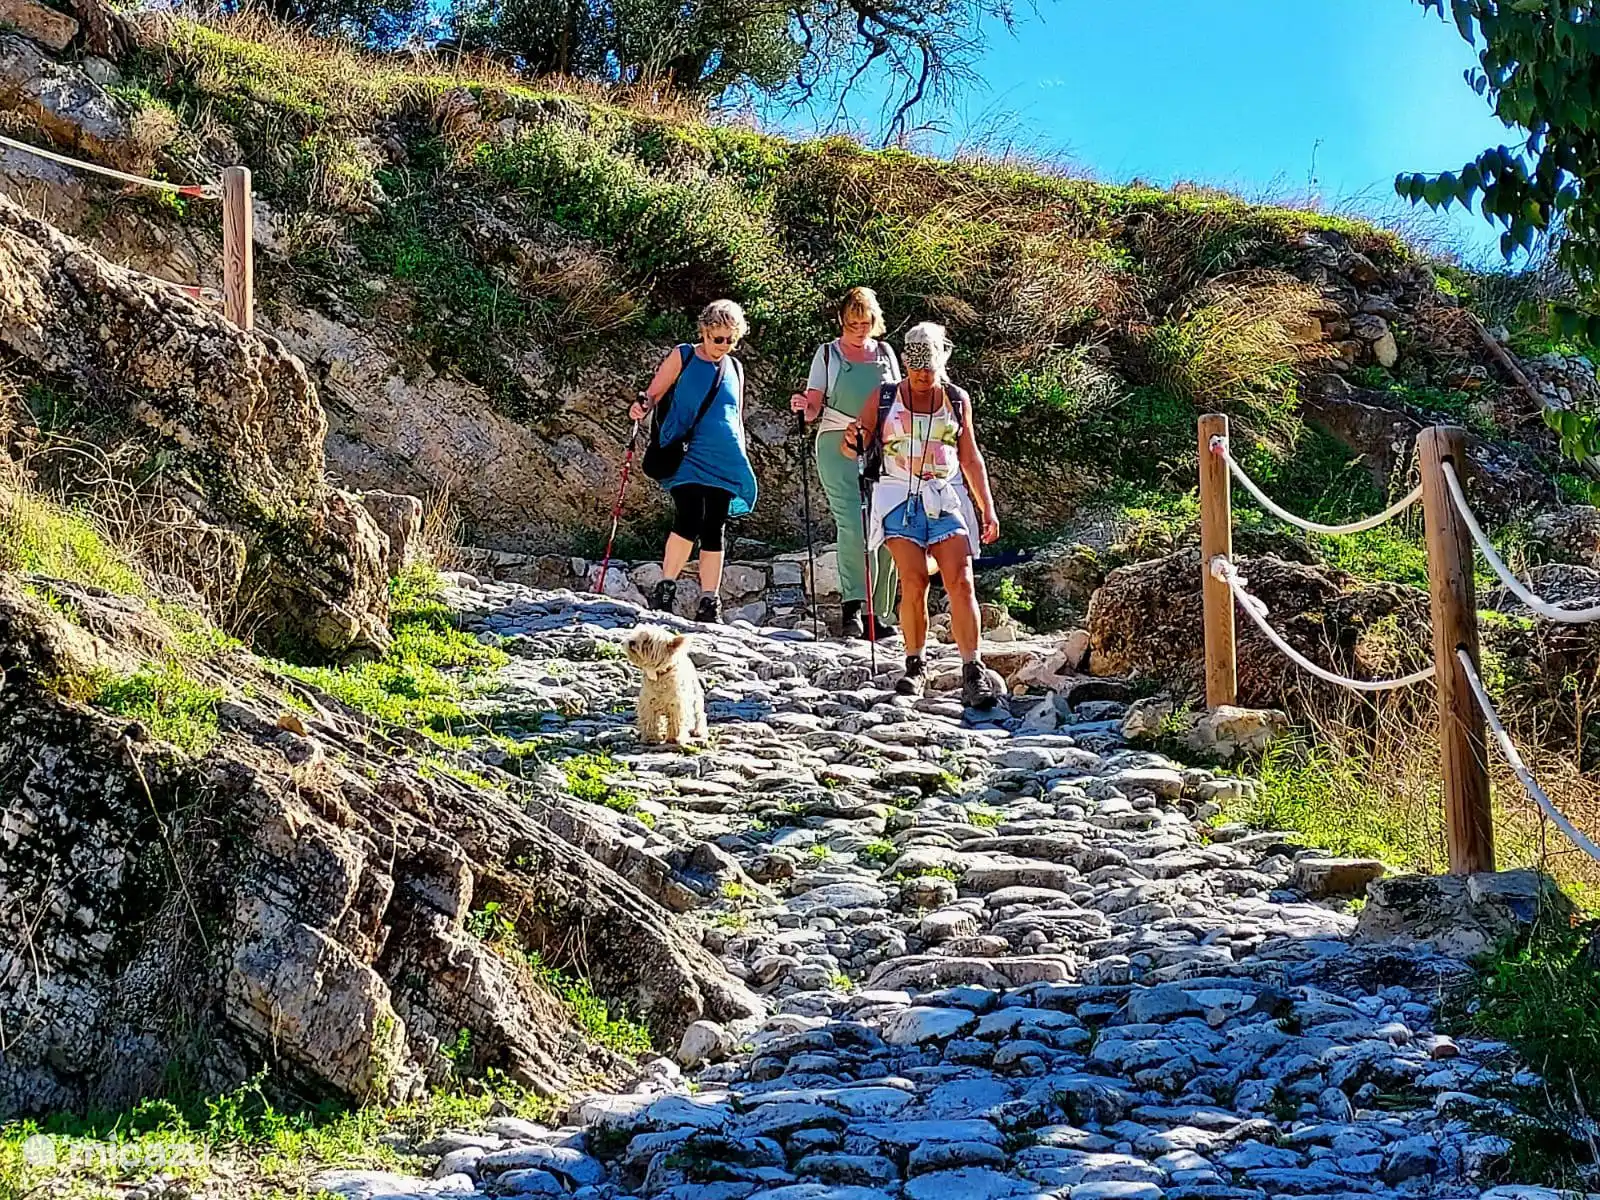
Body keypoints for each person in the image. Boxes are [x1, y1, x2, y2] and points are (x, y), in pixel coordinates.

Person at [842, 321, 1002, 710]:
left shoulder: (956, 399)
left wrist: (987, 508)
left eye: (928, 370)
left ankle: (972, 669)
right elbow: (855, 449)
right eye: (915, 371)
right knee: (913, 581)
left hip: (945, 497)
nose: (921, 378)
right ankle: (914, 664)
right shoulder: (883, 398)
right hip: (897, 497)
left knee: (961, 580)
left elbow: (969, 456)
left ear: (940, 364)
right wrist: (852, 441)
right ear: (906, 367)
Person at [629, 299, 758, 623]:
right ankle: (665, 589)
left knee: (715, 524)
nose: (724, 346)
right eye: (719, 338)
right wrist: (641, 406)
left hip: (725, 458)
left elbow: (735, 416)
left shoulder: (735, 368)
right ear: (704, 330)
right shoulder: (683, 355)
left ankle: (709, 602)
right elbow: (653, 393)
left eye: (731, 340)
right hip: (688, 452)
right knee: (688, 514)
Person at [790, 287, 901, 640]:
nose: (858, 329)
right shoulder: (827, 355)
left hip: (881, 448)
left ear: (874, 321)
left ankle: (879, 613)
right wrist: (802, 407)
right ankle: (853, 607)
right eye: (852, 322)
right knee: (853, 524)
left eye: (865, 322)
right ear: (841, 320)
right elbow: (813, 407)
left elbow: (899, 402)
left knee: (887, 527)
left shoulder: (885, 353)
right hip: (837, 443)